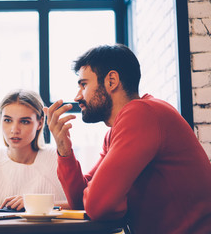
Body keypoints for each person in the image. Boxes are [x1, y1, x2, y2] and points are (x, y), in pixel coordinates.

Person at [44, 44, 211, 233]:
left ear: (112, 81)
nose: (77, 97)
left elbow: (98, 205)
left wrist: (116, 203)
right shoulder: (116, 132)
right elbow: (81, 202)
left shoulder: (142, 114)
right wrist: (64, 150)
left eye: (84, 85)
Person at [0, 89, 67, 211]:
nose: (14, 130)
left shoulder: (55, 157)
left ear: (40, 123)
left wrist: (34, 203)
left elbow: (80, 203)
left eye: (24, 121)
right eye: (8, 120)